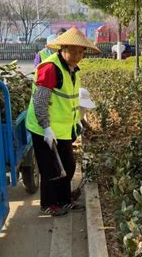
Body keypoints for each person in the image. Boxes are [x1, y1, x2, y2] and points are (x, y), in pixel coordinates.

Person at [26, 27, 101, 216]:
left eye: (80, 51)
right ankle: (49, 204)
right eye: (72, 51)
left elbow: (69, 99)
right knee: (51, 169)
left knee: (67, 166)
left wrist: (78, 122)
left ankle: (64, 200)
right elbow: (40, 100)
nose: (76, 55)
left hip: (63, 128)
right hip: (45, 128)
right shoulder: (50, 68)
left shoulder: (73, 69)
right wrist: (46, 128)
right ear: (62, 48)